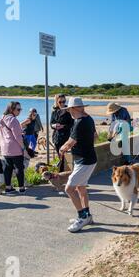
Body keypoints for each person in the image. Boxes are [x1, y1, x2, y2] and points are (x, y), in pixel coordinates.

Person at [60, 97, 98, 233]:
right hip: (85, 159)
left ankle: (81, 217)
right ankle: (87, 215)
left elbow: (71, 142)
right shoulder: (89, 119)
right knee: (81, 188)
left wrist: (62, 148)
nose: (69, 111)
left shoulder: (80, 122)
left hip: (84, 161)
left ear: (74, 109)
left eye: (69, 108)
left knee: (69, 189)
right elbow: (96, 137)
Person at [0, 101, 26, 195]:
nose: (19, 111)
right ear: (11, 109)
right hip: (15, 147)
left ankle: (8, 187)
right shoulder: (13, 120)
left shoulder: (2, 118)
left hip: (5, 147)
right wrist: (23, 147)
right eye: (18, 109)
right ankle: (21, 187)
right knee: (19, 168)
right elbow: (17, 136)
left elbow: (2, 134)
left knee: (8, 168)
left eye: (20, 109)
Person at [51, 94, 74, 159]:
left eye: (63, 101)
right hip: (56, 138)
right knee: (59, 156)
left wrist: (63, 126)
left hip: (66, 137)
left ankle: (62, 168)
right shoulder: (54, 111)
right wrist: (54, 125)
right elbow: (51, 124)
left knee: (65, 157)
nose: (62, 103)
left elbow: (72, 124)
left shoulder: (69, 110)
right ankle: (60, 168)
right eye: (60, 102)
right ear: (57, 102)